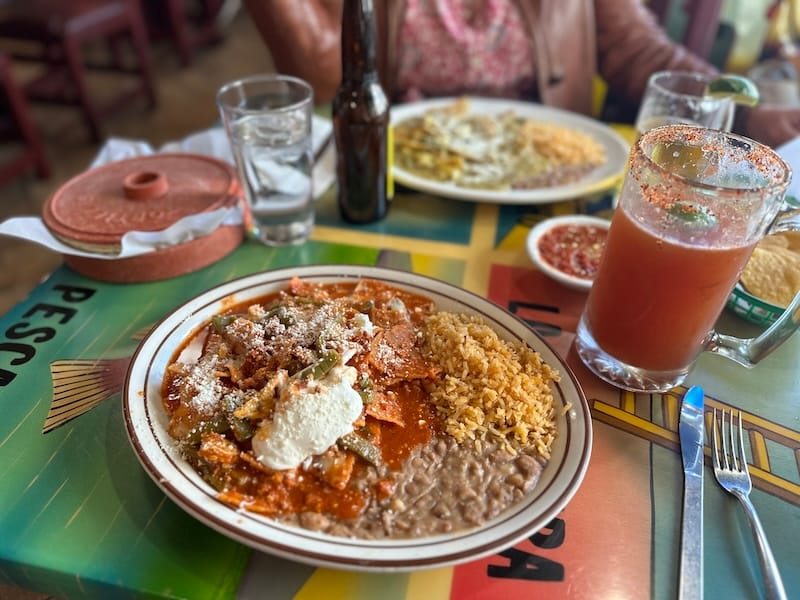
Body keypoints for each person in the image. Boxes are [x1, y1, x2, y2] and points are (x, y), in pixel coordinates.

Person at [242, 0, 800, 148]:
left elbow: (639, 50)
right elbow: (323, 78)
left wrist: (748, 116)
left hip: (548, 169)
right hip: (398, 170)